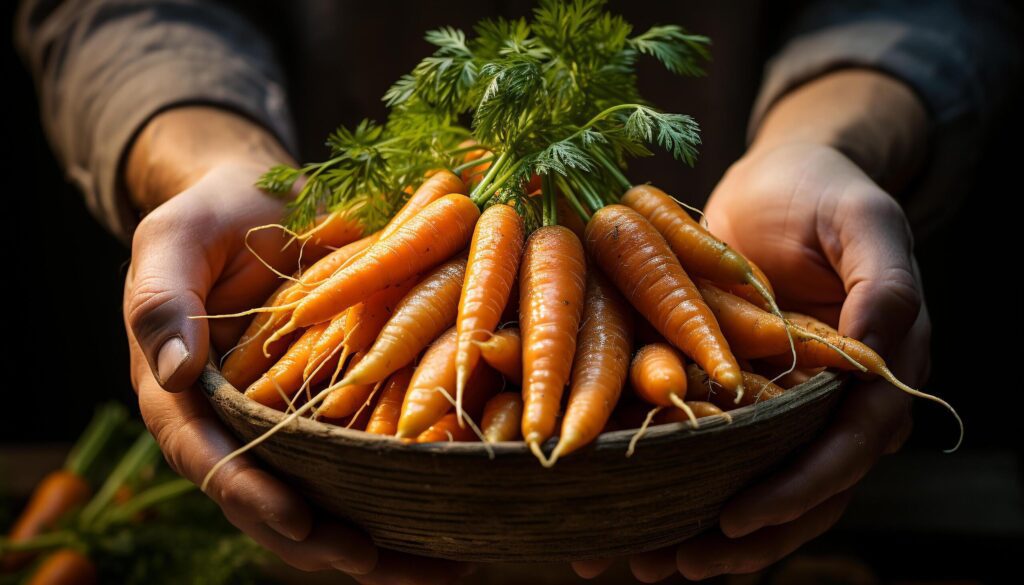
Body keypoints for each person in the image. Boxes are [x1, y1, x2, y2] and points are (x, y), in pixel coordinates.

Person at [14, 1, 1021, 582]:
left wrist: (826, 142)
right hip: (344, 513)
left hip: (759, 521)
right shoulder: (452, 212)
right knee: (353, 330)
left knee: (677, 349)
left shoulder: (626, 225)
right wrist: (208, 159)